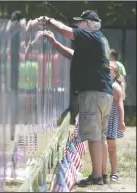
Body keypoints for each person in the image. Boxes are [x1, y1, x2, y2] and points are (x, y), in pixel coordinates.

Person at [32, 10, 113, 186]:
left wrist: (46, 19)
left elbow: (66, 31)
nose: (77, 25)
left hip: (93, 93)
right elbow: (72, 54)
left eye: (81, 22)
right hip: (103, 93)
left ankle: (96, 177)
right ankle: (102, 175)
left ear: (90, 25)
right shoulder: (98, 40)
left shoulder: (90, 36)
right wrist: (53, 42)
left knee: (93, 137)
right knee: (99, 136)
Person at [103, 62, 126, 183]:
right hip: (103, 118)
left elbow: (120, 105)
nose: (107, 71)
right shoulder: (104, 83)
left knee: (111, 147)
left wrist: (121, 121)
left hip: (111, 120)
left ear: (115, 73)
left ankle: (114, 172)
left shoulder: (115, 86)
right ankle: (102, 171)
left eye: (109, 70)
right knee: (102, 146)